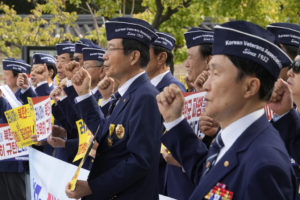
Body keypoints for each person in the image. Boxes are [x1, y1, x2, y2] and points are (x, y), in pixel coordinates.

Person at [157, 20, 297, 199]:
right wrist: (174, 120)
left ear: (250, 87)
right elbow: (208, 176)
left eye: (216, 74)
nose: (206, 85)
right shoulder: (232, 138)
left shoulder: (265, 164)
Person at [65, 17, 164, 200]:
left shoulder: (146, 97)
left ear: (133, 56)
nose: (104, 56)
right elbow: (104, 133)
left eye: (111, 48)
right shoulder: (128, 93)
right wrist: (85, 94)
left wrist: (92, 187)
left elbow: (139, 161)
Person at [270, 57, 300, 199]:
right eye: (292, 65)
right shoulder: (278, 121)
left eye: (298, 66)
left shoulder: (285, 120)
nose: (289, 72)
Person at [184, 27, 213, 92]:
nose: (186, 64)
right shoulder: (196, 87)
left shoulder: (220, 93)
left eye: (190, 57)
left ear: (209, 60)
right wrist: (191, 90)